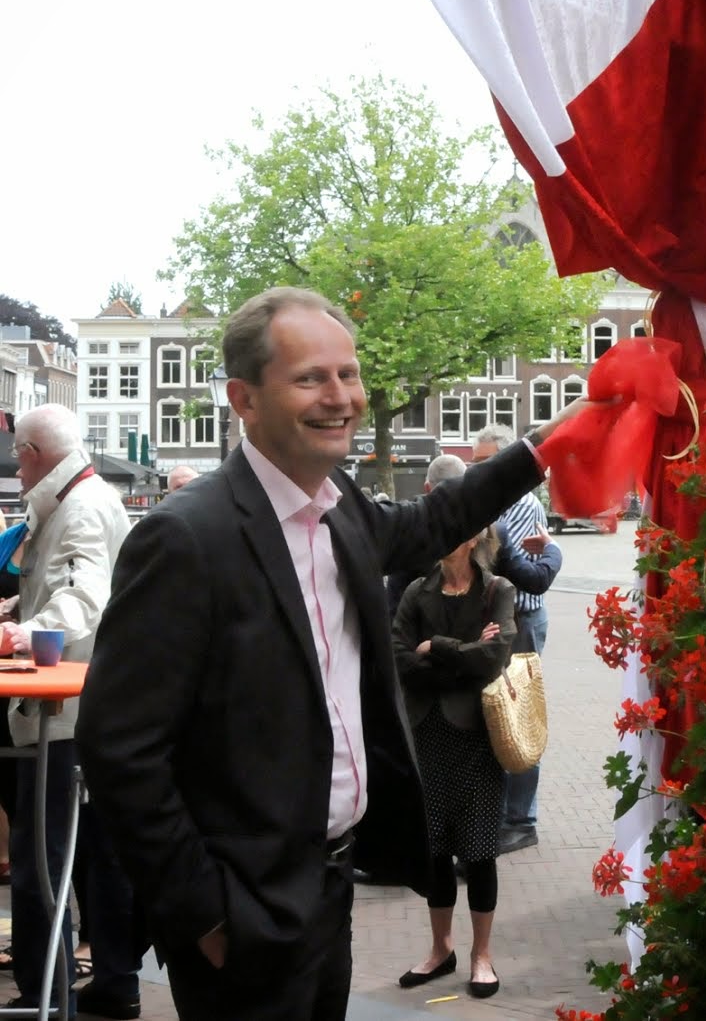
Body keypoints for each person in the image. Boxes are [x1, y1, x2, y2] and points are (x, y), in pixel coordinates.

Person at [77, 287, 582, 1021]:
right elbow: (119, 747)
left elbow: (427, 522)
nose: (341, 397)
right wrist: (204, 915)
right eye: (311, 377)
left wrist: (543, 448)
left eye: (348, 375)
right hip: (244, 908)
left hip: (332, 885)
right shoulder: (186, 538)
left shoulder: (338, 501)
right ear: (243, 398)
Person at [6, 403, 140, 1018]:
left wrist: (17, 636)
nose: (15, 464)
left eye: (18, 453)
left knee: (45, 855)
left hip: (65, 714)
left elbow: (82, 601)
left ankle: (48, 991)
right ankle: (108, 983)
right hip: (83, 708)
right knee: (92, 855)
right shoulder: (76, 498)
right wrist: (18, 616)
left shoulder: (82, 508)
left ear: (34, 453)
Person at [392, 467, 514, 998]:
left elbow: (495, 656)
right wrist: (456, 653)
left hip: (477, 736)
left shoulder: (498, 590)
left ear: (472, 536)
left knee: (480, 850)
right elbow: (397, 657)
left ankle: (481, 955)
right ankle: (439, 948)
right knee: (435, 849)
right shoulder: (417, 591)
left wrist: (434, 648)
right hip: (427, 734)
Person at [472, 425, 559, 851]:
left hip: (520, 620)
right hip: (504, 621)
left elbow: (502, 565)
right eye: (477, 462)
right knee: (496, 716)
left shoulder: (519, 505)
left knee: (518, 712)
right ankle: (505, 814)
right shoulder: (491, 503)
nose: (481, 470)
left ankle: (521, 821)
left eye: (488, 461)